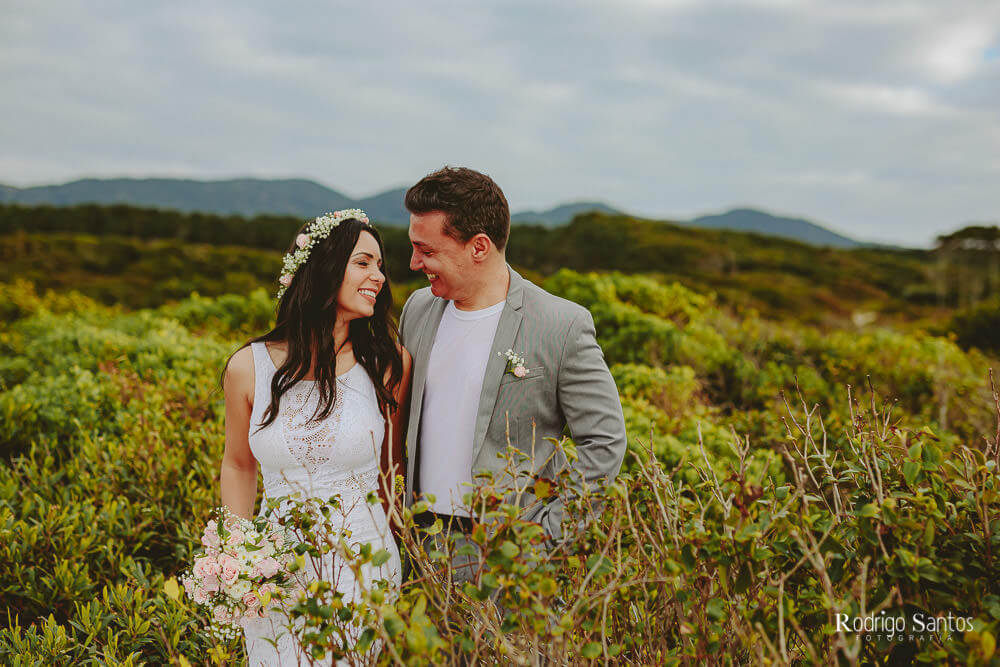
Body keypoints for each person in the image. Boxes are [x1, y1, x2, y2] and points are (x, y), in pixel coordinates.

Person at [398, 167, 627, 583]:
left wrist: (546, 535)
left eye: (426, 250)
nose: (414, 263)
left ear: (479, 247)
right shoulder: (416, 310)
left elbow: (605, 440)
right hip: (419, 548)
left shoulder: (562, 325)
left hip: (510, 556)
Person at [219, 209, 411, 666]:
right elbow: (239, 465)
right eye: (363, 263)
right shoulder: (249, 367)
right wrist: (239, 555)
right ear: (324, 267)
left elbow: (393, 469)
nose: (378, 276)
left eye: (380, 265)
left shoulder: (388, 364)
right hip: (275, 571)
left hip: (364, 566)